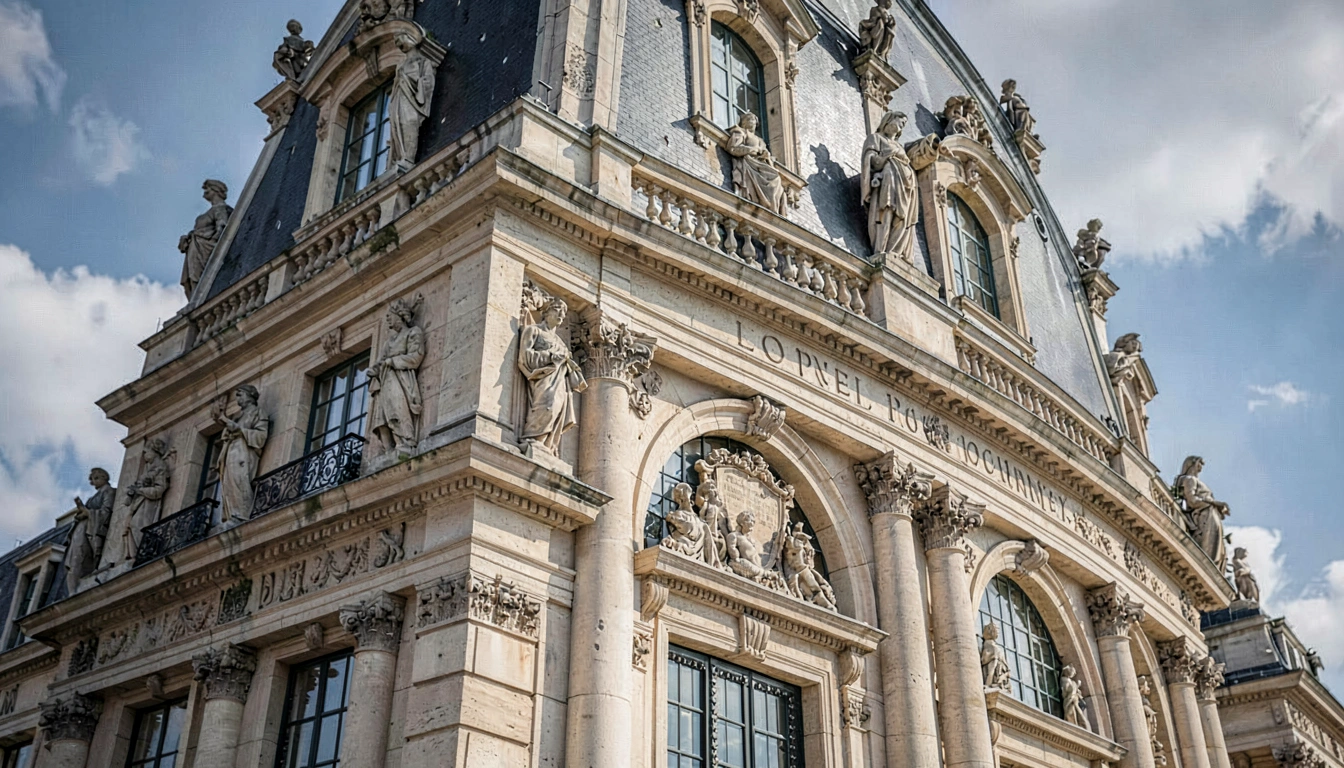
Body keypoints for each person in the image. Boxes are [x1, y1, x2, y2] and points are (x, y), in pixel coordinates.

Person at [518, 298, 586, 456]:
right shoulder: (533, 331)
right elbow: (525, 356)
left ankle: (545, 444)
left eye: (563, 312)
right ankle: (533, 438)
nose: (561, 314)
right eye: (557, 310)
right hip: (543, 379)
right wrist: (550, 356)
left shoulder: (560, 342)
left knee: (557, 408)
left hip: (560, 382)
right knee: (548, 405)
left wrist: (569, 363)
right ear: (546, 312)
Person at [368, 296, 426, 455]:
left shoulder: (413, 332)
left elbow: (416, 356)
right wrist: (375, 370)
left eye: (389, 316)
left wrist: (393, 361)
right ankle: (389, 449)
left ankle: (405, 442)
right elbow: (380, 362)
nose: (387, 319)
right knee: (382, 417)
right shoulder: (389, 341)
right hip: (385, 380)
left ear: (399, 315)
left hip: (400, 380)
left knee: (397, 410)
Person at [861, 111, 919, 261]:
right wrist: (888, 157)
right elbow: (871, 161)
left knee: (902, 219)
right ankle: (881, 249)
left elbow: (906, 162)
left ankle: (894, 251)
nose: (902, 125)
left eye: (904, 124)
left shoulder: (899, 146)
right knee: (885, 212)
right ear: (889, 120)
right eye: (900, 121)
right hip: (888, 180)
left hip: (906, 185)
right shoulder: (876, 138)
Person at [217, 385, 270, 524]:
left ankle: (241, 514)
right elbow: (226, 435)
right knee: (229, 482)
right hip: (231, 450)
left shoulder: (258, 412)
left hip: (243, 451)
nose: (237, 398)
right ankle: (233, 514)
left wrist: (240, 430)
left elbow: (261, 435)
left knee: (239, 479)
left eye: (240, 394)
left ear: (250, 395)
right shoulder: (237, 416)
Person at [178, 180, 233, 298]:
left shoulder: (221, 209)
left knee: (201, 277)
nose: (205, 191)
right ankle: (195, 300)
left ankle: (198, 298)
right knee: (194, 278)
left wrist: (214, 240)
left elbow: (222, 228)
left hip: (204, 249)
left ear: (215, 190)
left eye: (208, 188)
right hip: (197, 248)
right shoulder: (211, 211)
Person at [1175, 456, 1230, 571]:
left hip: (1211, 514)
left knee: (1216, 549)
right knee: (1209, 552)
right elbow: (1192, 500)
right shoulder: (1190, 479)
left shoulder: (1195, 480)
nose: (1201, 467)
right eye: (1200, 463)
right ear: (1193, 464)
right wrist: (1215, 503)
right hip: (1205, 516)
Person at [726, 113, 788, 215]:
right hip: (749, 161)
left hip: (760, 163)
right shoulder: (741, 132)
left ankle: (770, 207)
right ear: (744, 122)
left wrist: (766, 155)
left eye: (754, 120)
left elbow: (766, 154)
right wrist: (751, 149)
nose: (752, 122)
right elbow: (733, 148)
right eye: (749, 119)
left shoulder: (760, 140)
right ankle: (766, 205)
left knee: (776, 178)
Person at [389, 33, 436, 166]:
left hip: (412, 98)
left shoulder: (423, 62)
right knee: (397, 124)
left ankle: (408, 158)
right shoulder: (400, 65)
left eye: (403, 38)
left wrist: (414, 82)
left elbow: (428, 81)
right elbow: (394, 87)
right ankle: (401, 157)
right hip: (400, 97)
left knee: (408, 122)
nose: (401, 43)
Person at [66, 468, 115, 593]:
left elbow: (106, 513)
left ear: (104, 477)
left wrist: (87, 513)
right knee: (75, 558)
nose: (93, 482)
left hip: (91, 530)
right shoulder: (93, 498)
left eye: (96, 478)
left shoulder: (109, 492)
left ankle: (76, 587)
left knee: (80, 556)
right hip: (83, 528)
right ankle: (73, 589)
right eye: (92, 479)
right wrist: (81, 512)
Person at [980, 622, 1011, 690]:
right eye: (996, 629)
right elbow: (991, 669)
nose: (998, 632)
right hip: (995, 676)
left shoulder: (995, 647)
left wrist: (1003, 676)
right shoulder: (992, 647)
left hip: (1000, 675)